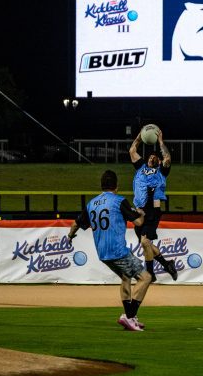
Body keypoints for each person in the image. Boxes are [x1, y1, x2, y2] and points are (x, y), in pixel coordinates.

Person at [67, 169, 150, 332]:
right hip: (118, 251)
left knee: (126, 277)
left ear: (101, 186)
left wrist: (70, 236)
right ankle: (129, 316)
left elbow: (76, 223)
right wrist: (141, 213)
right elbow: (139, 222)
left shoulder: (91, 203)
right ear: (116, 186)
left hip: (103, 254)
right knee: (145, 278)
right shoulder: (119, 200)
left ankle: (131, 318)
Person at [129, 126, 178, 282]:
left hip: (152, 210)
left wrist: (160, 141)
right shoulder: (141, 167)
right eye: (150, 156)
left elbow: (168, 158)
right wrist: (139, 136)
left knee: (145, 242)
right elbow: (132, 151)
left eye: (155, 157)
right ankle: (166, 264)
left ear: (158, 161)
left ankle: (150, 274)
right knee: (146, 244)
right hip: (138, 211)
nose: (152, 158)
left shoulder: (161, 171)